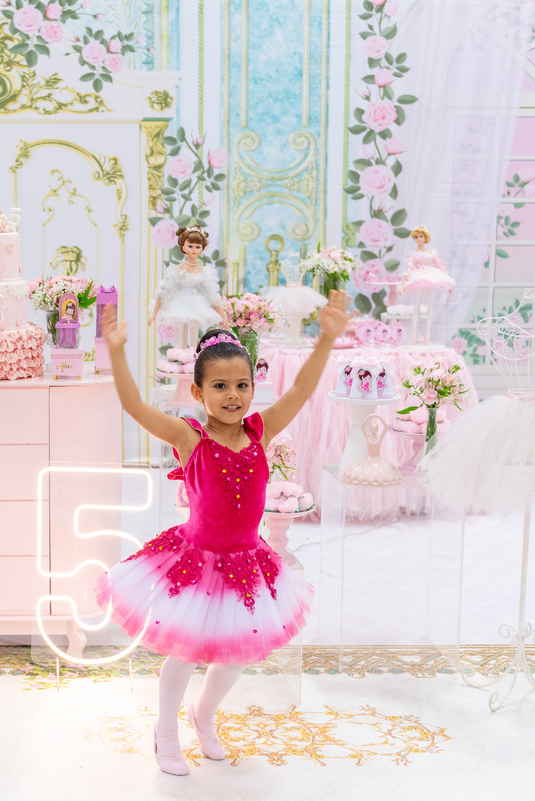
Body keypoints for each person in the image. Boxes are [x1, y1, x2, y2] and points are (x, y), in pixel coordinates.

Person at [96, 291, 349, 776]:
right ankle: (165, 730)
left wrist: (325, 340)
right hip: (196, 561)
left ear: (253, 387)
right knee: (184, 653)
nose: (233, 395)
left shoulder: (259, 432)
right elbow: (133, 406)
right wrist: (118, 352)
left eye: (242, 385)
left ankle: (203, 713)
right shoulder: (189, 438)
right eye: (219, 386)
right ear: (198, 393)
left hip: (246, 562)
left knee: (236, 654)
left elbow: (300, 390)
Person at [148, 226, 230, 348]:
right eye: (190, 246)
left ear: (202, 248)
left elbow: (211, 296)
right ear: (183, 247)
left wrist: (223, 316)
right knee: (179, 335)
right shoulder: (177, 269)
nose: (194, 249)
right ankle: (177, 354)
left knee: (194, 335)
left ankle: (193, 354)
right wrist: (154, 313)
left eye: (198, 247)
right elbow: (164, 290)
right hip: (179, 304)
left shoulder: (204, 271)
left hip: (196, 305)